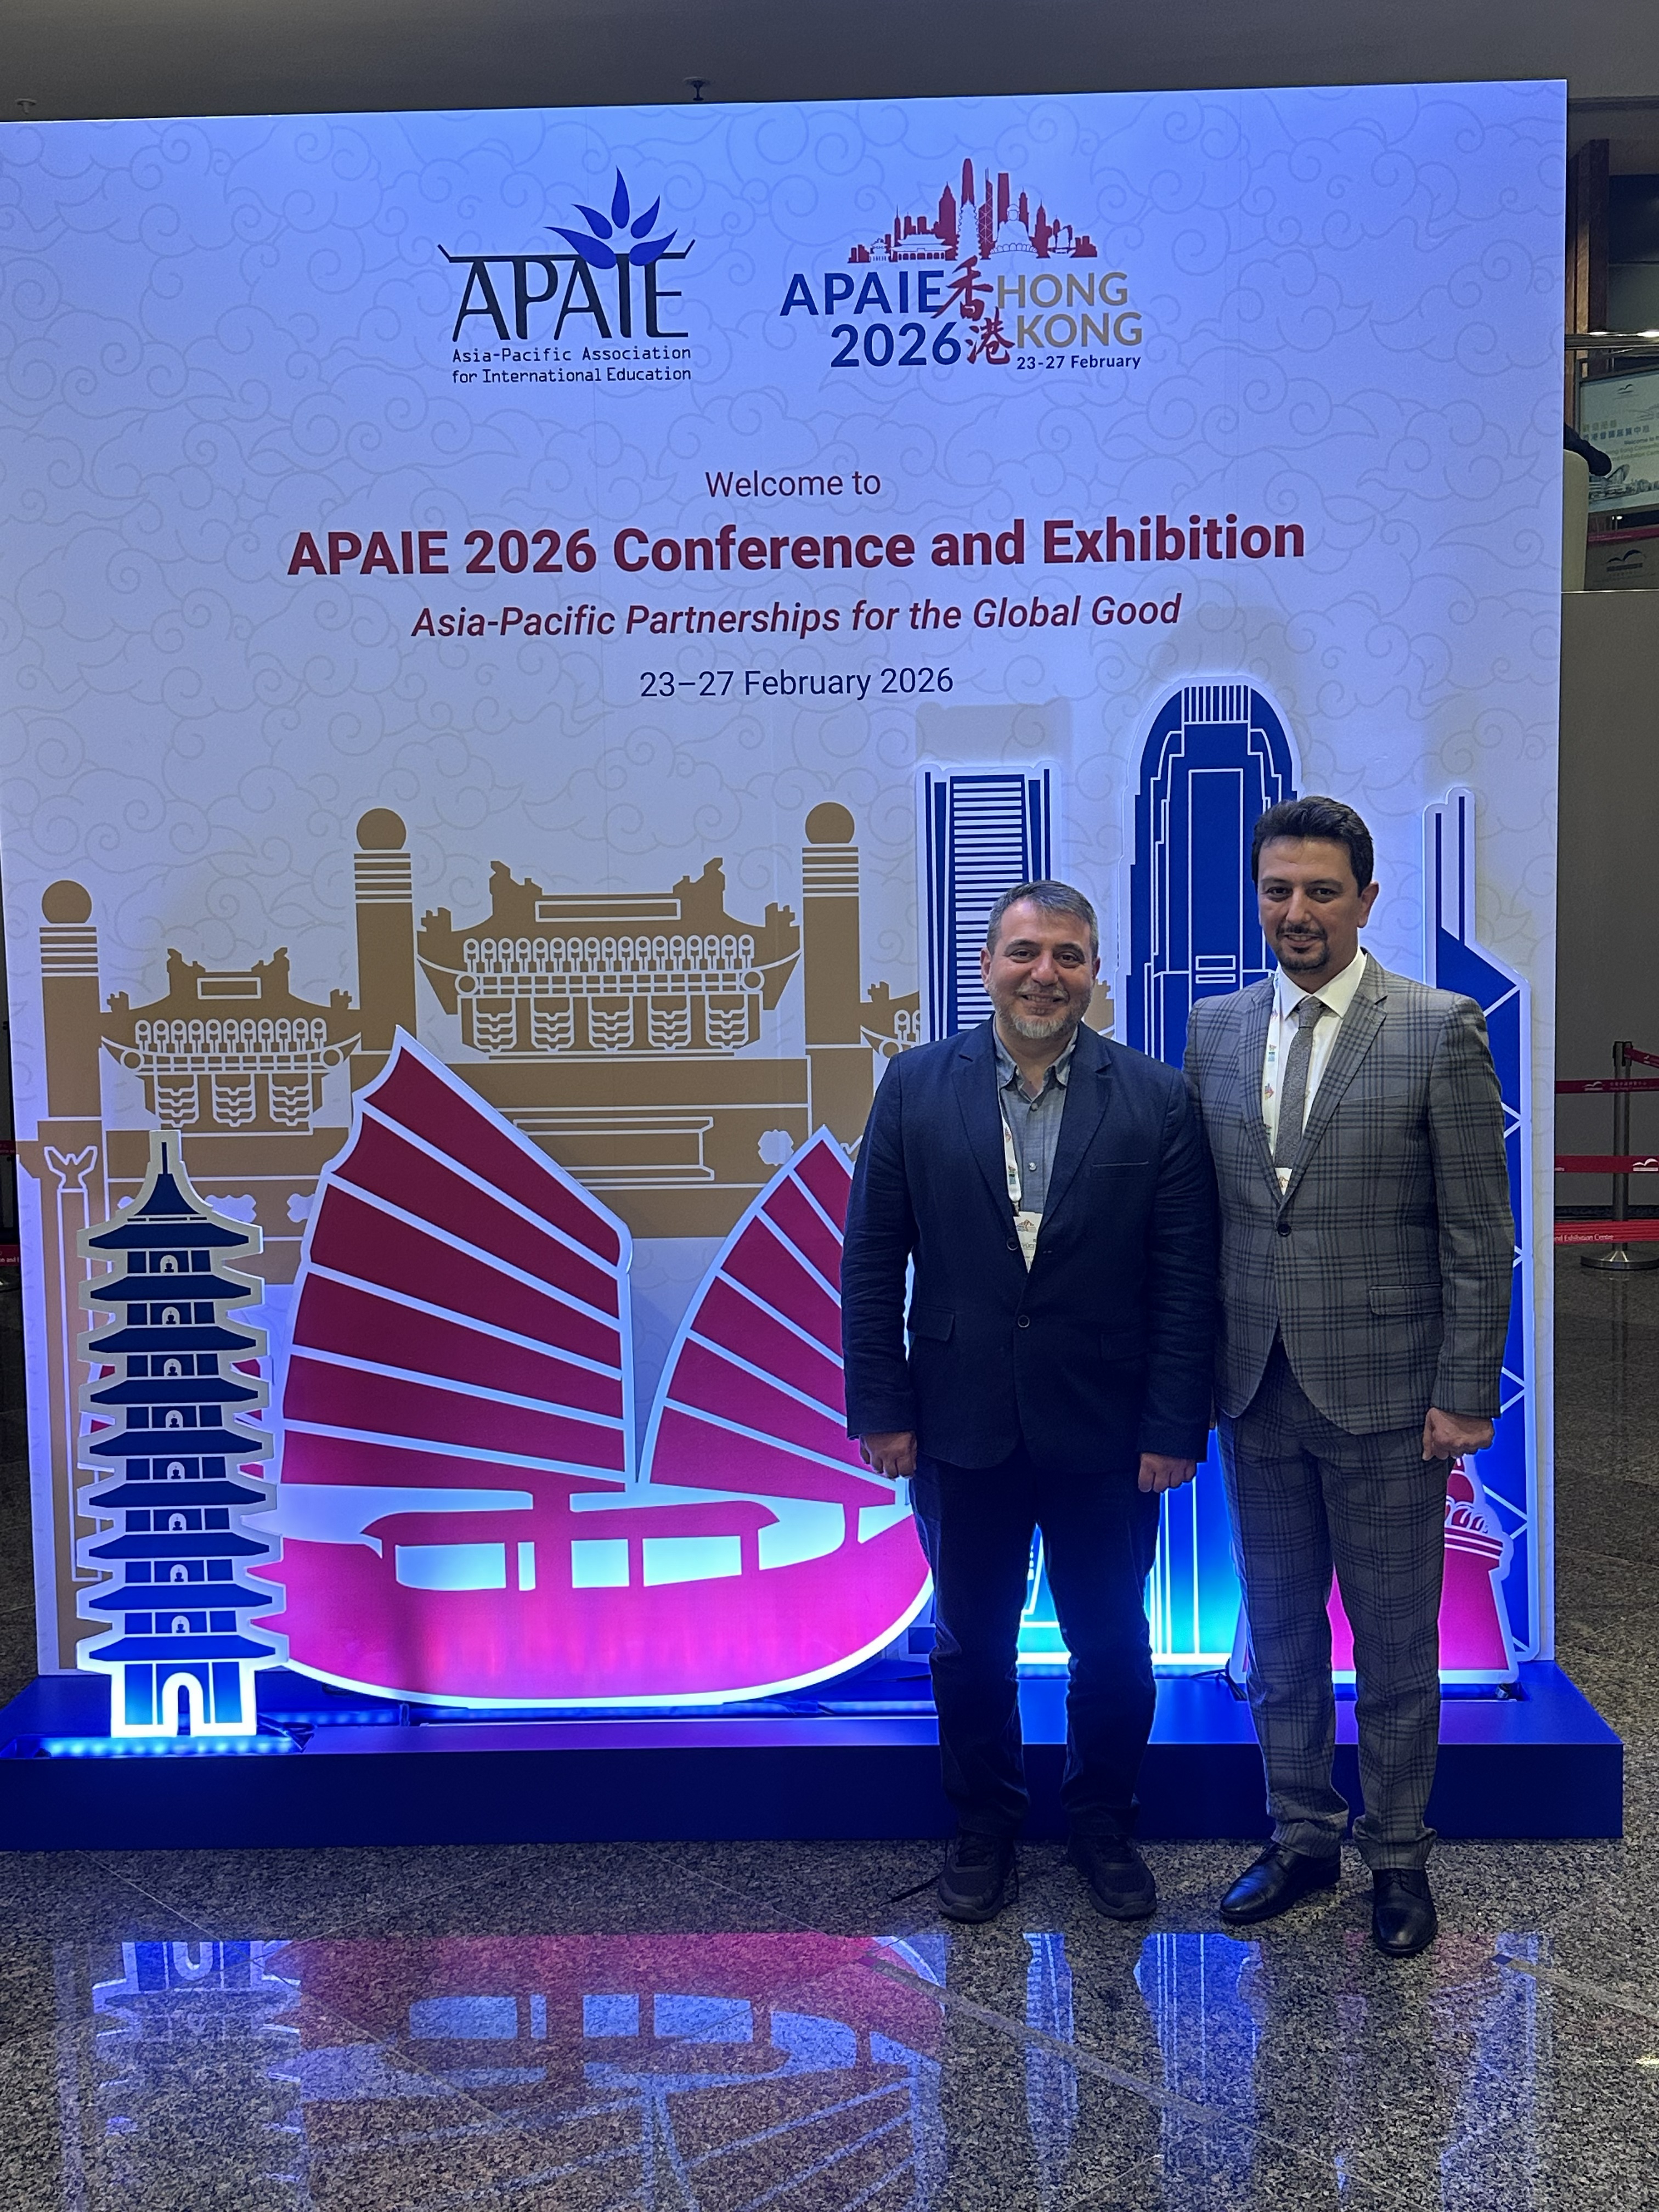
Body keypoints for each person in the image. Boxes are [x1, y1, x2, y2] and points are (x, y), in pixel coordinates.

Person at [842, 880, 1217, 1924]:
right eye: (1024, 953)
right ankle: (983, 1828)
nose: (1044, 975)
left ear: (1095, 972)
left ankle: (1103, 1824)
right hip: (958, 1422)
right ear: (987, 965)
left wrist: (1173, 1426)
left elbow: (1185, 1277)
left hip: (1110, 1431)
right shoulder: (915, 1085)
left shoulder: (1156, 1097)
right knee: (971, 1645)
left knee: (1114, 1646)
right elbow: (872, 1259)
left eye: (1067, 956)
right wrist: (882, 1407)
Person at [1184, 797, 1513, 1959]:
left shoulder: (1437, 1027)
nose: (1299, 912)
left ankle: (1400, 1857)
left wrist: (1465, 1391)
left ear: (1366, 901)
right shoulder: (1214, 1030)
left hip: (1390, 1396)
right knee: (1278, 1639)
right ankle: (1301, 1838)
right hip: (1255, 1388)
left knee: (1395, 1645)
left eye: (1322, 891)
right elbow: (1207, 1222)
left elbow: (1478, 1233)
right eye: (1279, 891)